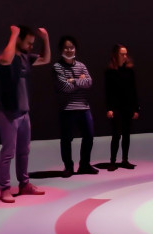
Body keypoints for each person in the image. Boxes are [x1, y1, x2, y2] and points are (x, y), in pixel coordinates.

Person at [0, 25, 51, 203]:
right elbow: (5, 60)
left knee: (24, 151)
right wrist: (14, 34)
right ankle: (5, 189)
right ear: (19, 40)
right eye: (28, 43)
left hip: (24, 113)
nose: (31, 46)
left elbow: (46, 59)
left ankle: (24, 184)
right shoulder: (5, 54)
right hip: (8, 113)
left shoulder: (27, 58)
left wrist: (45, 38)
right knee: (8, 152)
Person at [53, 35, 98, 177]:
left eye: (71, 47)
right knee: (66, 139)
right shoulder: (57, 67)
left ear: (75, 49)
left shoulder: (81, 65)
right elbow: (64, 87)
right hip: (67, 108)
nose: (69, 50)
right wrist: (80, 81)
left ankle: (84, 165)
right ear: (61, 49)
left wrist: (73, 80)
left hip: (84, 107)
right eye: (66, 48)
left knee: (89, 136)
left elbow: (89, 83)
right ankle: (68, 167)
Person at [105, 44, 140, 171]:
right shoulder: (110, 71)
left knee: (126, 134)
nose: (125, 56)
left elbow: (133, 90)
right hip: (116, 107)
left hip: (128, 107)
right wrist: (109, 108)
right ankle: (112, 161)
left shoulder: (130, 71)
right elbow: (108, 92)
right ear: (116, 55)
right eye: (122, 54)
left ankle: (125, 160)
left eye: (126, 54)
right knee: (116, 135)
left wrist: (136, 108)